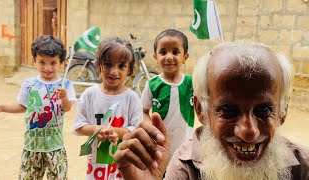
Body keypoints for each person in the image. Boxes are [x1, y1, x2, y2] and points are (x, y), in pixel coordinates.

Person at [113, 41, 309, 180]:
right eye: (229, 110)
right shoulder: (186, 166)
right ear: (201, 111)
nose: (249, 132)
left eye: (264, 110)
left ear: (282, 112)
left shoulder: (304, 167)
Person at [0, 35, 77, 179]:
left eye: (53, 63)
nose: (47, 68)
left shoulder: (65, 85)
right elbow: (22, 107)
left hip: (55, 147)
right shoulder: (29, 84)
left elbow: (67, 108)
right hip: (32, 146)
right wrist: (0, 107)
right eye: (42, 62)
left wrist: (64, 98)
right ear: (34, 60)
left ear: (61, 63)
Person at [72, 37, 143, 180]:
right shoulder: (89, 95)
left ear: (129, 69)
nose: (114, 71)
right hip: (96, 166)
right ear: (98, 65)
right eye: (108, 64)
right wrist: (95, 130)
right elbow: (79, 126)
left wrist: (116, 132)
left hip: (123, 164)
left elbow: (137, 130)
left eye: (121, 66)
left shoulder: (132, 98)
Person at [141, 29, 194, 156]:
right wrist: (152, 130)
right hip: (160, 145)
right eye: (163, 52)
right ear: (155, 57)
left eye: (175, 52)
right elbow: (143, 111)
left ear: (185, 57)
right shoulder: (152, 84)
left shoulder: (192, 83)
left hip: (185, 146)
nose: (169, 57)